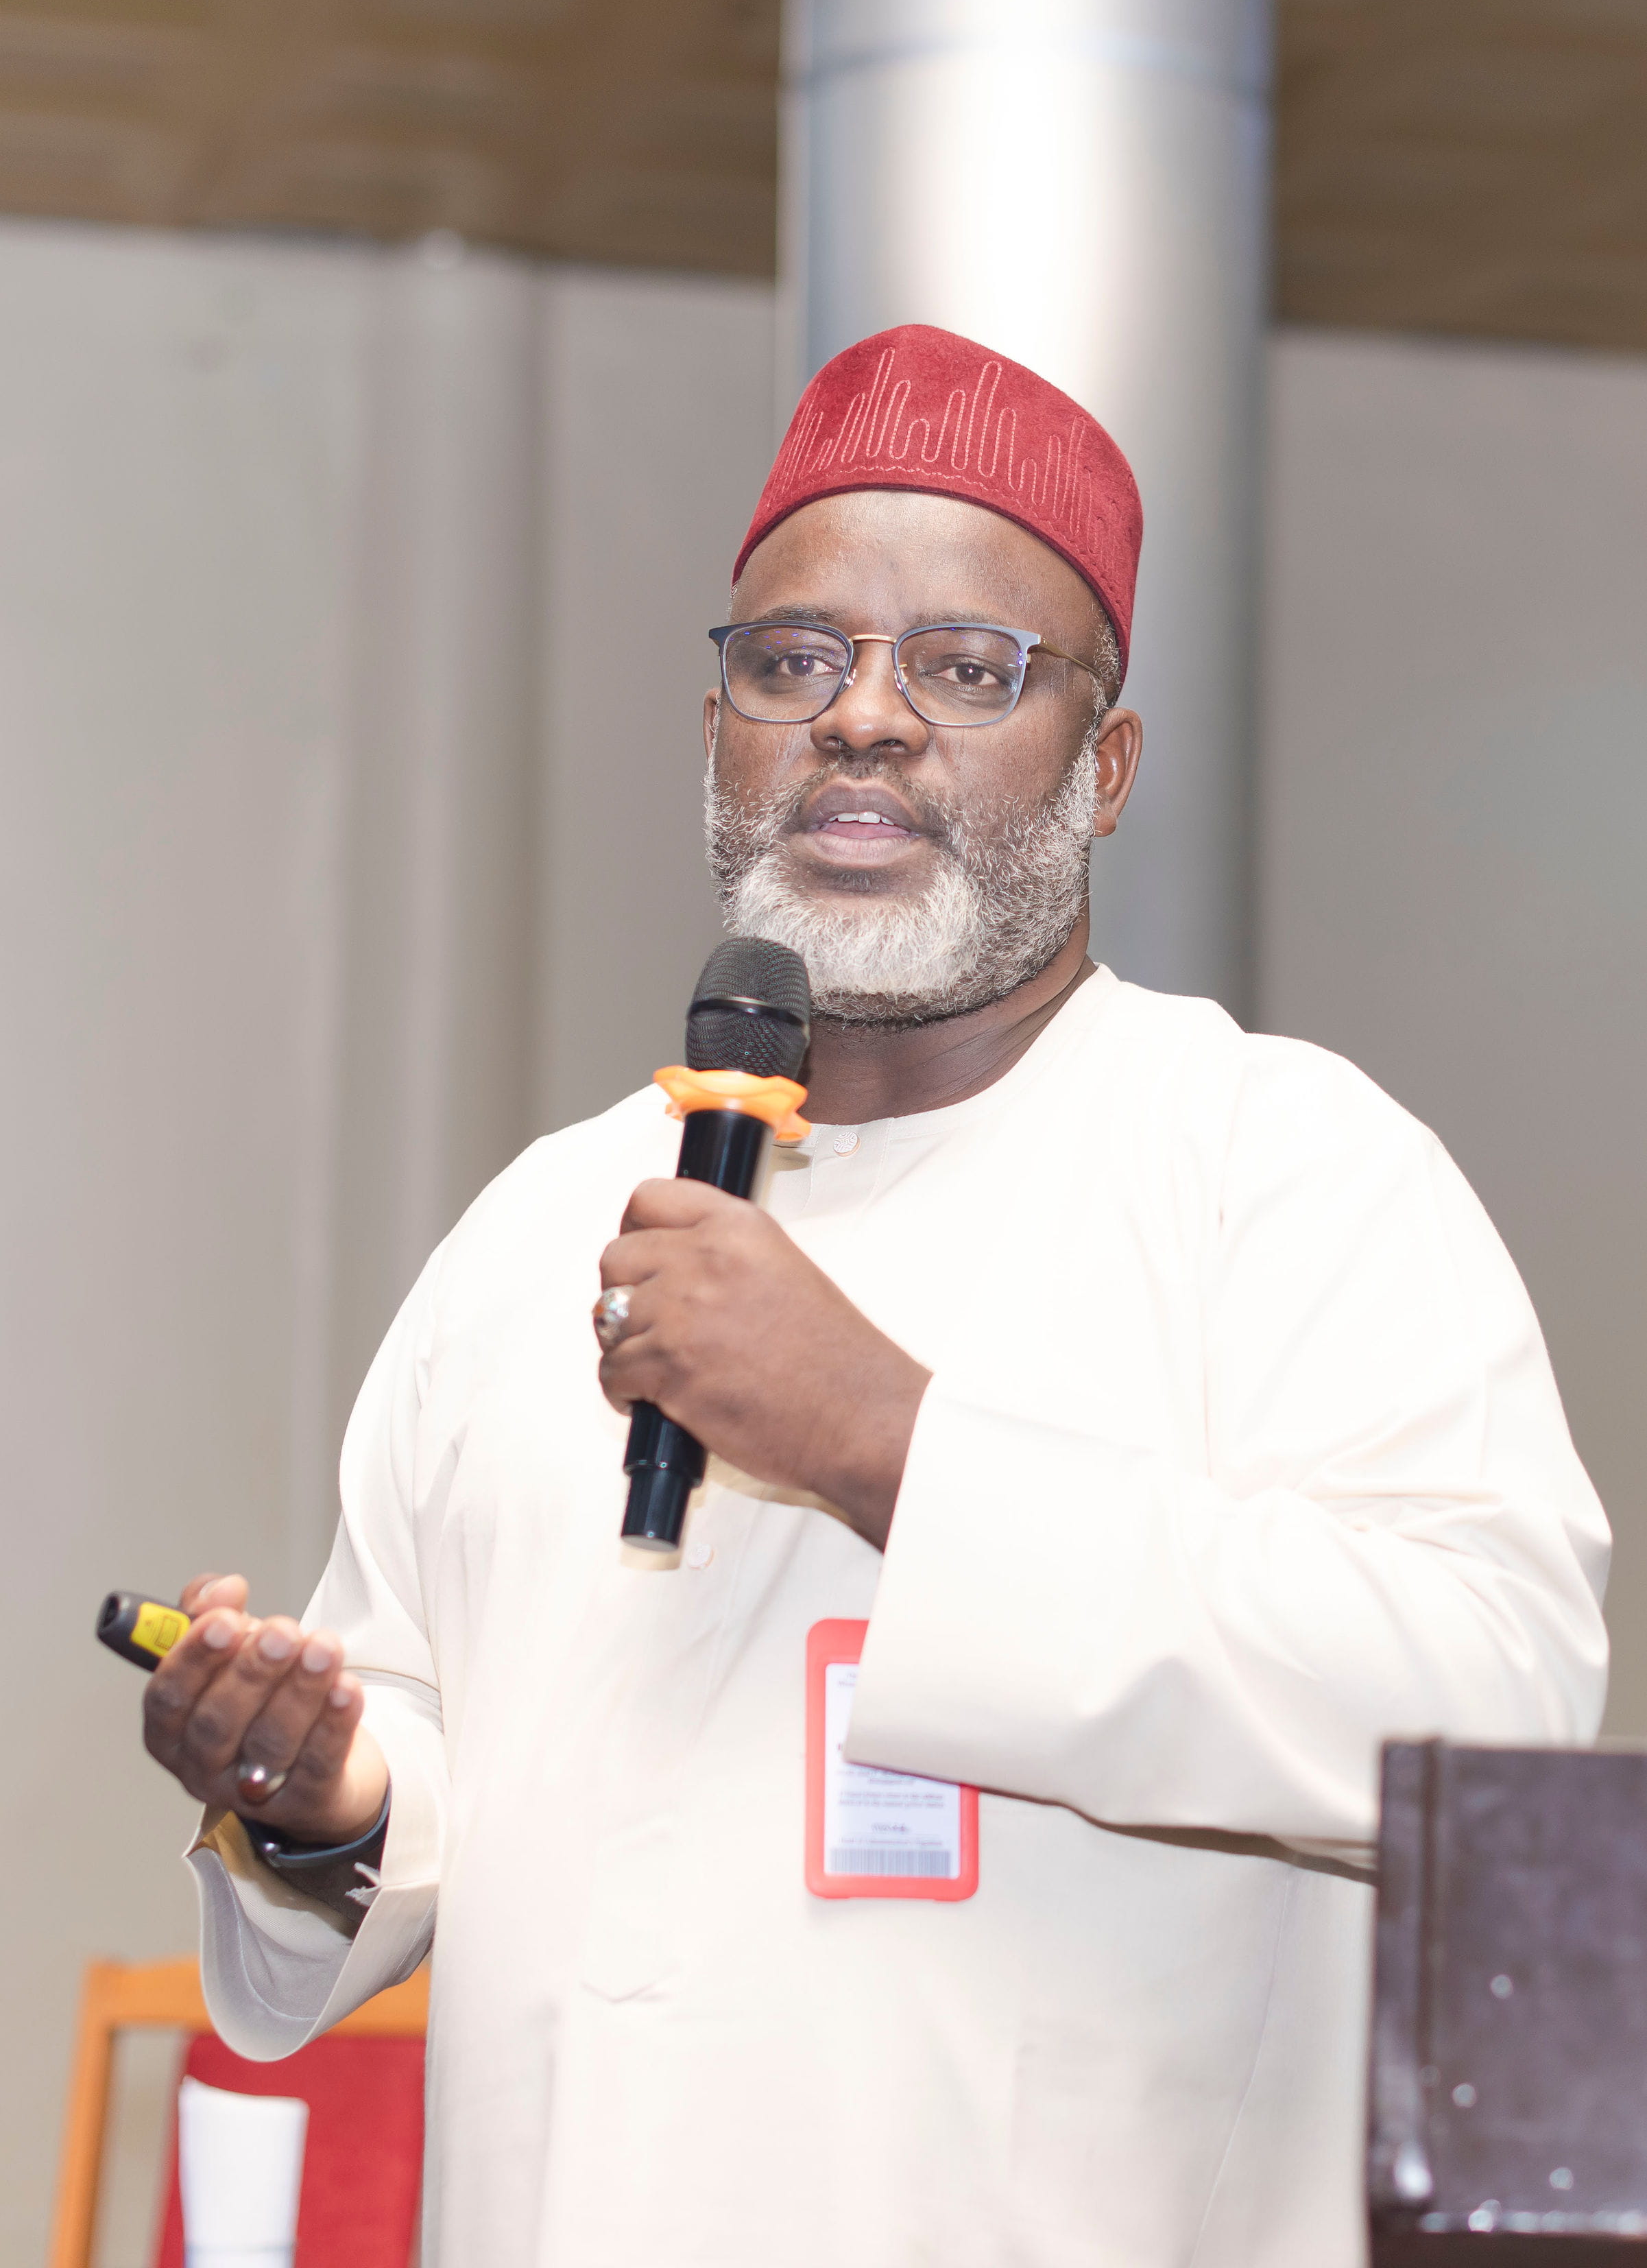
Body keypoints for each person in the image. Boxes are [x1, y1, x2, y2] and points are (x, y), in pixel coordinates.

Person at [141, 324, 1608, 2268]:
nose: (863, 718)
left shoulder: (1278, 1165)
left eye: (965, 666)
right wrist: (321, 1792)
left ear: (1104, 768)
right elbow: (421, 1783)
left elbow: (1485, 1710)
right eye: (791, 658)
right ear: (717, 730)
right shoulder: (537, 1225)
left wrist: (890, 1443)